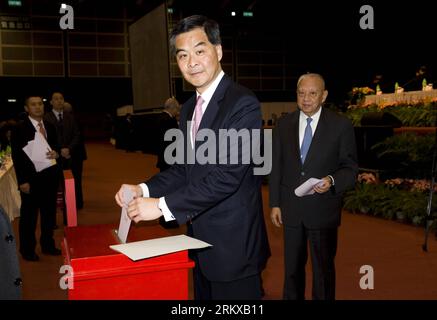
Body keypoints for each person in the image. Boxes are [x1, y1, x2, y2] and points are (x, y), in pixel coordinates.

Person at [115, 15, 270, 300]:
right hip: (199, 240)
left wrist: (161, 206)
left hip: (234, 247)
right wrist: (143, 189)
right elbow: (183, 169)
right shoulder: (188, 109)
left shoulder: (242, 103)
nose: (191, 62)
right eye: (183, 55)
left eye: (200, 51)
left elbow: (227, 177)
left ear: (218, 51)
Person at [269, 73, 358, 300]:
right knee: (292, 272)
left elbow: (350, 169)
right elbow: (276, 166)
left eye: (312, 93)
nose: (306, 98)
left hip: (323, 210)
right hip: (291, 209)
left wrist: (331, 180)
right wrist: (275, 203)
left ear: (324, 95)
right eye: (301, 93)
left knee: (323, 272)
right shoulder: (283, 125)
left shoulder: (341, 126)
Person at [10, 95, 61, 261]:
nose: (38, 107)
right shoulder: (20, 128)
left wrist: (57, 153)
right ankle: (27, 249)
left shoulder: (50, 127)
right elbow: (17, 156)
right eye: (33, 105)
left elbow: (56, 148)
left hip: (50, 178)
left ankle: (48, 245)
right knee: (29, 217)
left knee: (49, 215)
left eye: (40, 104)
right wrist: (22, 181)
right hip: (30, 181)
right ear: (26, 109)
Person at [44, 93, 83, 223]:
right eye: (56, 99)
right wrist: (59, 150)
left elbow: (77, 135)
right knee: (52, 189)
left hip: (70, 157)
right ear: (51, 102)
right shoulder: (46, 118)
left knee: (69, 188)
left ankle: (69, 219)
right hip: (53, 158)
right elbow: (44, 139)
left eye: (61, 98)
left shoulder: (70, 117)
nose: (59, 101)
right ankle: (52, 220)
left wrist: (69, 149)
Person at [156, 97, 181, 229]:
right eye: (177, 109)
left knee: (164, 189)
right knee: (170, 191)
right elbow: (176, 143)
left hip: (163, 160)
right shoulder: (169, 121)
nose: (177, 112)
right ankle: (168, 220)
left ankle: (163, 218)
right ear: (172, 108)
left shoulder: (160, 118)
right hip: (171, 162)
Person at [62, 101, 87, 209]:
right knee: (76, 180)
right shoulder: (75, 118)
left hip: (74, 154)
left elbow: (76, 138)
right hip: (77, 154)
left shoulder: (71, 120)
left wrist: (68, 150)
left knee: (72, 180)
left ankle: (75, 203)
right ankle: (78, 202)